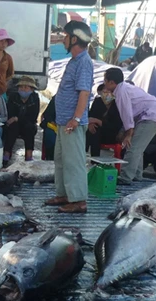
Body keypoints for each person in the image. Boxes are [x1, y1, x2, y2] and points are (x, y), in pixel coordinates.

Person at [44, 21, 93, 214]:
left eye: (65, 36)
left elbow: (84, 93)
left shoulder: (83, 62)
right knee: (62, 160)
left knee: (74, 161)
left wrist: (77, 119)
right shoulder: (75, 60)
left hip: (72, 122)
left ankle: (79, 200)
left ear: (74, 39)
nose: (63, 39)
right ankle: (65, 194)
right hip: (65, 122)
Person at [103, 67, 156, 185]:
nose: (104, 83)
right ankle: (137, 175)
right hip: (151, 114)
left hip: (151, 115)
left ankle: (125, 177)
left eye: (105, 80)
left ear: (111, 82)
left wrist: (128, 133)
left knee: (133, 148)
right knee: (137, 147)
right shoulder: (123, 89)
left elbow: (126, 114)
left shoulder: (121, 92)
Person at [3, 76, 40, 163]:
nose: (23, 89)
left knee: (29, 127)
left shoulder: (34, 98)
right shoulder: (13, 97)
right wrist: (15, 119)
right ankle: (6, 155)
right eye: (21, 87)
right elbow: (10, 113)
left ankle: (29, 156)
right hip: (15, 124)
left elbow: (33, 117)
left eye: (26, 87)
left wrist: (17, 118)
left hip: (28, 124)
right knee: (12, 127)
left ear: (31, 89)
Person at [86, 84, 123, 157]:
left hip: (111, 134)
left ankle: (94, 159)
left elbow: (115, 125)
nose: (106, 93)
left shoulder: (117, 104)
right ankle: (84, 155)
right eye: (104, 91)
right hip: (97, 132)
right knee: (92, 131)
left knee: (96, 131)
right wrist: (90, 124)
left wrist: (97, 121)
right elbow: (90, 116)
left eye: (108, 91)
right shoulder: (97, 102)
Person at [40, 95, 57, 161]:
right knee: (50, 134)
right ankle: (49, 158)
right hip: (54, 126)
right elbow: (47, 114)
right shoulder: (57, 98)